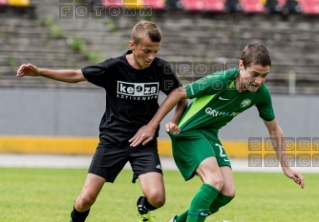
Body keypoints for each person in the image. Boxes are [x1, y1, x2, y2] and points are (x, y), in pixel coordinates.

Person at [16, 20, 187, 222]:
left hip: (143, 143)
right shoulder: (114, 67)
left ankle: (144, 204)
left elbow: (180, 96)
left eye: (155, 51)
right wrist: (40, 72)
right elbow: (76, 75)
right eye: (146, 50)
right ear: (132, 45)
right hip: (112, 141)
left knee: (157, 199)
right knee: (85, 200)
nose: (151, 57)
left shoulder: (161, 69)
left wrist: (168, 122)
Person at [130, 43, 305, 222]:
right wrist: (154, 125)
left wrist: (286, 166)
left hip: (209, 134)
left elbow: (274, 129)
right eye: (254, 74)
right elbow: (178, 93)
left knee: (227, 192)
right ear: (241, 65)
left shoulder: (261, 94)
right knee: (214, 181)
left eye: (264, 76)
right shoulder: (221, 81)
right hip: (188, 132)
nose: (259, 81)